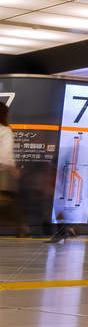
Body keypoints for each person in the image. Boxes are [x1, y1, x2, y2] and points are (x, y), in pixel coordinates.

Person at [0, 101, 18, 235]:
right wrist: (12, 168)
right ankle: (21, 227)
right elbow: (5, 154)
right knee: (7, 202)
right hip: (2, 172)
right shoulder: (5, 131)